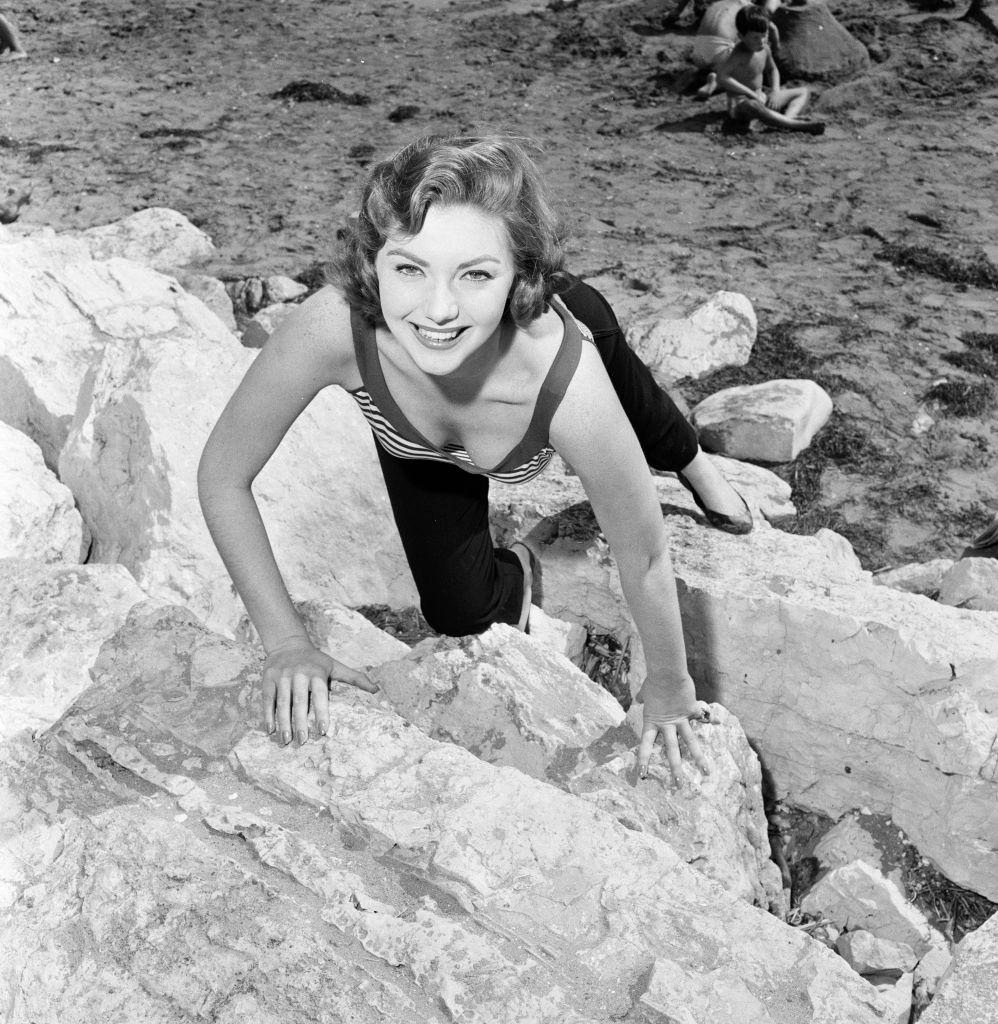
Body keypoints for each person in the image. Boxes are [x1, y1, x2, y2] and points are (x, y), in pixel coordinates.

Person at [199, 134, 753, 782]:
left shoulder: (567, 384)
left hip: (576, 327)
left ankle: (695, 467)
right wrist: (286, 644)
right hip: (426, 454)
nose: (437, 309)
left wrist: (667, 681)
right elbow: (223, 476)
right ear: (372, 263)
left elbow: (645, 551)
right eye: (409, 268)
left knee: (644, 411)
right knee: (459, 616)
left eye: (475, 273)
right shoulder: (334, 327)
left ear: (518, 274)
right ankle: (520, 568)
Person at [715, 5, 824, 134]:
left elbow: (772, 70)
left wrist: (775, 91)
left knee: (803, 92)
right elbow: (722, 77)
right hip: (741, 103)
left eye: (764, 35)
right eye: (755, 37)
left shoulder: (764, 49)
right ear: (741, 36)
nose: (761, 41)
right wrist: (752, 94)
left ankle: (788, 118)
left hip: (762, 97)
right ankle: (795, 125)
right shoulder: (739, 54)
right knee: (752, 106)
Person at [689, 0, 781, 101]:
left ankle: (711, 70)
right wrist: (776, 49)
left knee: (742, 36)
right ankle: (717, 82)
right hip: (721, 54)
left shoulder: (719, 3)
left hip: (698, 56)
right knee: (745, 53)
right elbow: (772, 29)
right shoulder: (747, 8)